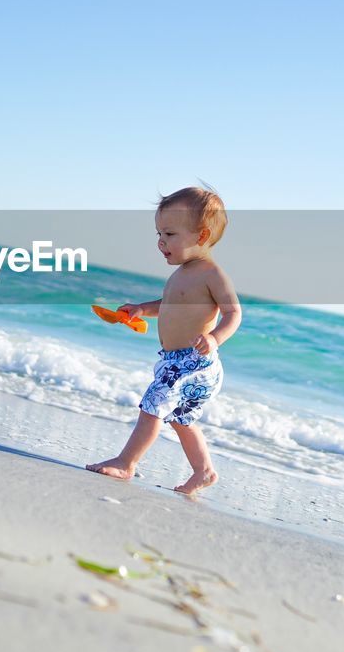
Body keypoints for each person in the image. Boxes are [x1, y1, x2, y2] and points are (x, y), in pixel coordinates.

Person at [86, 186, 241, 494]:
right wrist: (142, 309)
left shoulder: (211, 273)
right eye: (158, 233)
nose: (161, 242)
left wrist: (215, 338)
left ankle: (126, 462)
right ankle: (204, 470)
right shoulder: (183, 273)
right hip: (178, 362)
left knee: (153, 406)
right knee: (181, 419)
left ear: (200, 236)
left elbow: (233, 313)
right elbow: (170, 304)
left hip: (194, 361)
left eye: (170, 234)